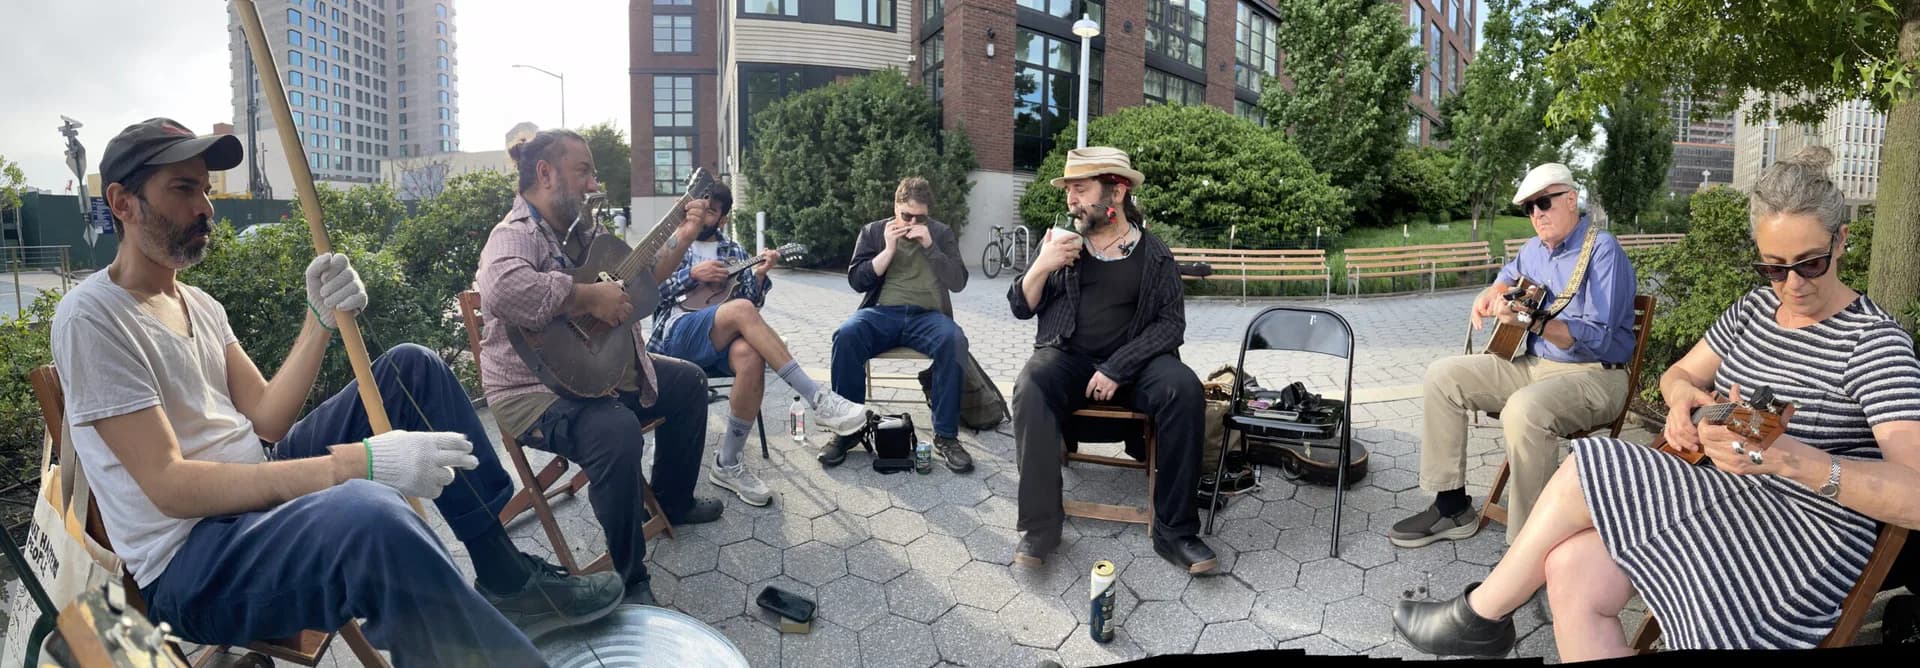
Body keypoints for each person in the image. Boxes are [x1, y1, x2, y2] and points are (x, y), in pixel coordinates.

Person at [51, 118, 616, 667]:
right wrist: (356, 466)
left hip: (255, 489)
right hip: (195, 563)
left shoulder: (199, 304)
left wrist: (318, 319)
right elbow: (170, 487)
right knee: (369, 513)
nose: (205, 206)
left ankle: (502, 573)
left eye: (204, 187)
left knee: (410, 370)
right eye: (182, 188)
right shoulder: (92, 318)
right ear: (122, 203)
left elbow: (268, 419)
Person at [1393, 146, 1920, 660]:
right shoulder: (1754, 310)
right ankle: (1484, 616)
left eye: (1810, 263)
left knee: (1591, 465)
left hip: (1804, 534)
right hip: (1722, 494)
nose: (1792, 284)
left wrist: (1790, 459)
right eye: (1774, 267)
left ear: (1843, 241)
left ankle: (1481, 616)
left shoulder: (1873, 343)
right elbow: (1681, 373)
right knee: (1571, 567)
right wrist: (1680, 400)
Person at [475, 128, 721, 608]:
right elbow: (502, 289)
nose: (593, 184)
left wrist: (684, 232)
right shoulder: (514, 234)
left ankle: (674, 500)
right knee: (616, 432)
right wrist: (587, 296)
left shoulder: (583, 236)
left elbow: (644, 282)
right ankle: (630, 579)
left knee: (690, 382)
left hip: (599, 372)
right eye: (583, 170)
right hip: (533, 393)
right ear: (545, 174)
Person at [1390, 163, 1639, 548]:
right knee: (1443, 376)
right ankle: (1452, 505)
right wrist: (1491, 292)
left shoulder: (1603, 250)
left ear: (1571, 200)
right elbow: (1510, 272)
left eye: (1544, 202)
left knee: (1524, 410)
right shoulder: (1534, 250)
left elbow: (1604, 339)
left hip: (1595, 375)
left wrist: (1533, 323)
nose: (1537, 214)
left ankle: (1529, 546)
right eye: (1529, 208)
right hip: (1535, 366)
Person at [1006, 146, 1218, 573]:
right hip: (1068, 356)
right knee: (1032, 383)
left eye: (1080, 189)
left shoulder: (1153, 254)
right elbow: (1020, 306)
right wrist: (1041, 266)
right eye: (1068, 190)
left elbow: (1170, 325)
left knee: (1184, 388)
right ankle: (1041, 527)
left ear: (1116, 192)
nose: (1071, 199)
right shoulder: (1061, 245)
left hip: (1136, 366)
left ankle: (1175, 533)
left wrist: (1118, 366)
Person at [647, 182, 870, 505]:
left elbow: (750, 304)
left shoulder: (735, 252)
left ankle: (728, 463)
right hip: (676, 337)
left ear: (723, 217)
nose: (702, 215)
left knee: (751, 355)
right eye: (698, 207)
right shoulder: (673, 245)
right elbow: (650, 295)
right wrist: (692, 275)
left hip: (719, 340)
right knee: (741, 312)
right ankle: (818, 399)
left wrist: (762, 275)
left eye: (711, 210)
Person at [819, 176, 975, 472]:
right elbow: (857, 280)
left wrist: (930, 246)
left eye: (920, 217)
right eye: (907, 215)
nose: (913, 223)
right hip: (881, 313)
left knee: (954, 339)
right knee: (846, 335)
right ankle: (847, 430)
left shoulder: (940, 234)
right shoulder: (874, 232)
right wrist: (888, 251)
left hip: (927, 316)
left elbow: (958, 281)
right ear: (895, 206)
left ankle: (945, 436)